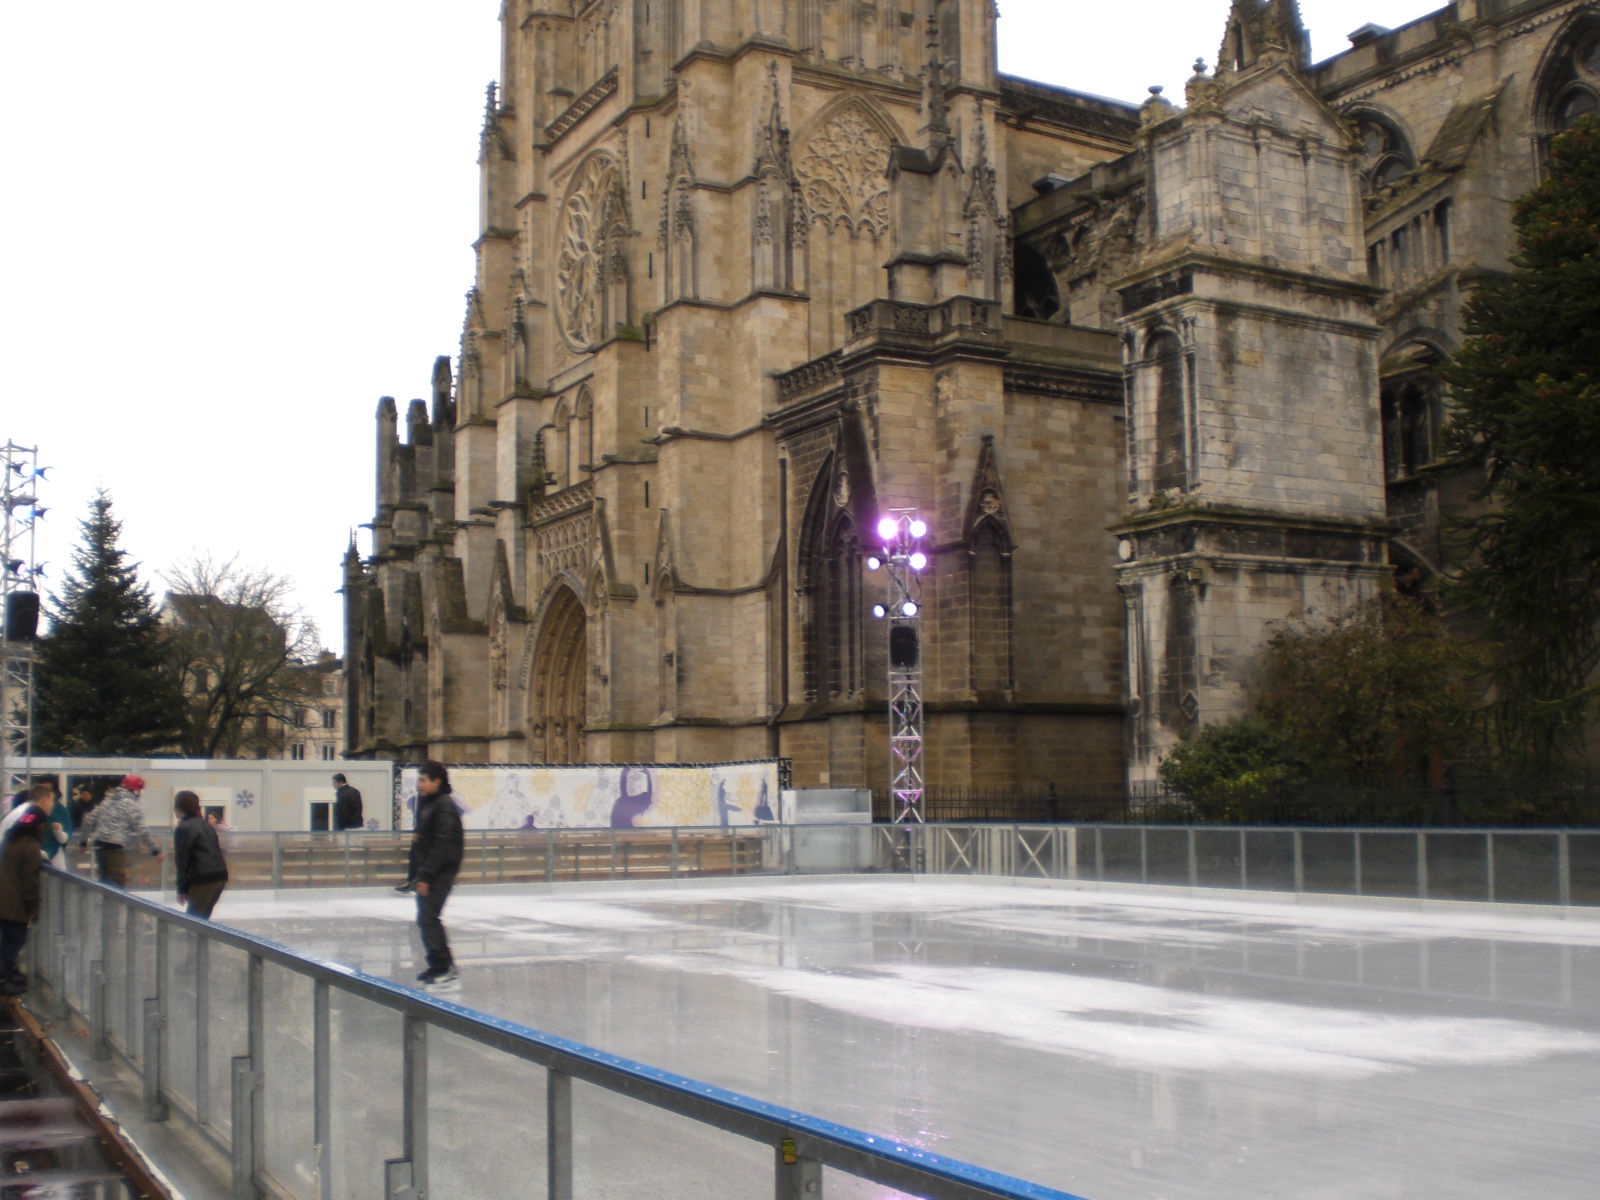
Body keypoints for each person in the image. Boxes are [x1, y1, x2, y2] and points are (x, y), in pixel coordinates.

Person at [411, 761, 463, 989]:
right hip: (430, 870)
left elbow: (443, 844)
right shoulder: (431, 803)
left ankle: (445, 966)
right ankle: (436, 964)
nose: (419, 784)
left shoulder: (444, 805)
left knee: (429, 917)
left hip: (440, 871)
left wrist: (426, 875)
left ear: (437, 782)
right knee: (425, 918)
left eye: (423, 780)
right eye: (419, 779)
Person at [75, 774, 162, 888]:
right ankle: (113, 906)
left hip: (100, 847)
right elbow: (141, 829)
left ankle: (105, 905)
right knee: (117, 884)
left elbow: (88, 820)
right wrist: (155, 850)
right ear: (136, 790)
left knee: (104, 884)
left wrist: (83, 842)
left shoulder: (108, 800)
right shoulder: (131, 805)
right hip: (115, 847)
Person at [0, 807, 45, 996]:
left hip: (4, 900)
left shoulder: (8, 841)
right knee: (14, 940)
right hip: (13, 904)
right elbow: (30, 881)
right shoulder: (30, 846)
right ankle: (3, 979)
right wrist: (33, 905)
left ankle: (6, 975)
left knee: (6, 941)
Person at [172, 791, 229, 919]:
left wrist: (181, 889)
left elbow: (182, 860)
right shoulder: (206, 826)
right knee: (201, 918)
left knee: (194, 921)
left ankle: (195, 939)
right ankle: (201, 938)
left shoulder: (183, 828)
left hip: (203, 878)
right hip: (219, 876)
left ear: (178, 808)